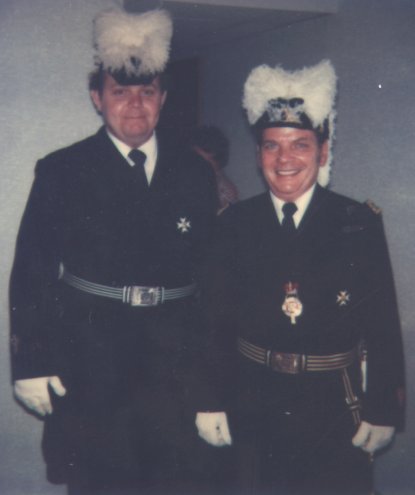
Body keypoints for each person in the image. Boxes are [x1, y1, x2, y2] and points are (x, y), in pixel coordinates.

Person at [10, 7, 219, 494]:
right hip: (92, 362)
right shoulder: (63, 170)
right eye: (120, 92)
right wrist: (31, 363)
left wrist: (214, 380)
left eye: (147, 92)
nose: (135, 105)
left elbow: (213, 280)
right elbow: (33, 271)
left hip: (174, 365)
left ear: (163, 99)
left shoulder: (194, 173)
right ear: (97, 98)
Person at [199, 60, 405, 494]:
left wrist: (384, 408)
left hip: (331, 404)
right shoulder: (234, 223)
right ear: (258, 155)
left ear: (323, 152)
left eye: (300, 145)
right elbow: (214, 321)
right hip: (251, 398)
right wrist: (209, 399)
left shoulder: (356, 222)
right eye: (271, 146)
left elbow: (382, 323)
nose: (284, 159)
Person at [190, 125, 239, 214]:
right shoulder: (189, 180)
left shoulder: (225, 192)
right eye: (194, 157)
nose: (196, 163)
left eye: (202, 160)